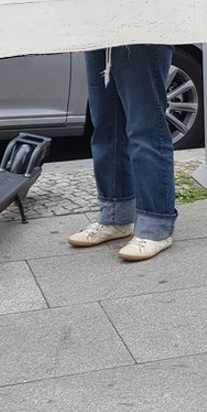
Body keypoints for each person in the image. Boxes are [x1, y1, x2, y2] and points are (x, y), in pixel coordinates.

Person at [68, 45, 178, 261]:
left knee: (145, 127)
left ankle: (156, 226)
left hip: (140, 32)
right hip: (99, 31)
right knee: (107, 127)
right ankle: (115, 216)